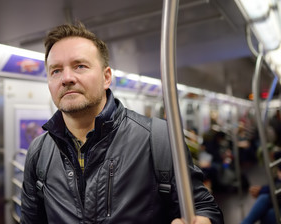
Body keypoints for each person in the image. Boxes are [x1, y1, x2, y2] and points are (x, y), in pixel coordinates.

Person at [20, 22, 224, 224]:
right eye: (55, 70)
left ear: (106, 77)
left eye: (79, 66)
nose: (66, 78)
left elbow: (205, 208)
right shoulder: (40, 152)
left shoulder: (158, 139)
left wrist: (205, 221)